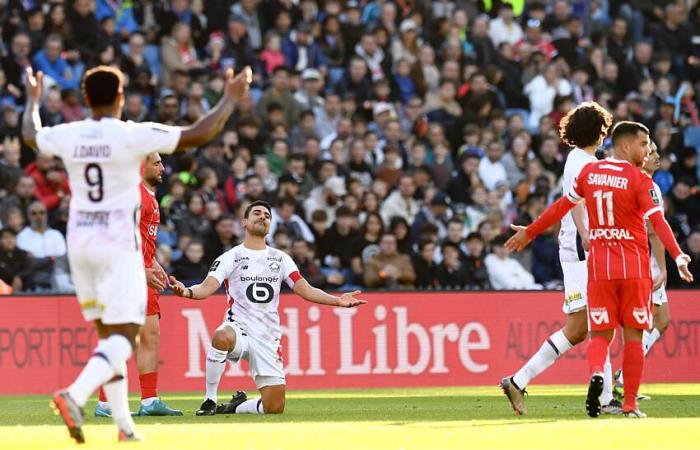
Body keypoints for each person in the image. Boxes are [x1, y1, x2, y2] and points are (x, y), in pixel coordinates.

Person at [22, 64, 252, 443]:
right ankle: (75, 395)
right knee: (125, 337)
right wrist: (229, 97)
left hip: (78, 244)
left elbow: (31, 135)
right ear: (120, 97)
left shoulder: (71, 133)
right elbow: (199, 133)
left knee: (110, 336)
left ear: (84, 98)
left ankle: (125, 427)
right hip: (116, 245)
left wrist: (33, 100)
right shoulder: (131, 135)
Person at [505, 121, 694, 418]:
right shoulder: (640, 180)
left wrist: (531, 232)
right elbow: (658, 224)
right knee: (633, 336)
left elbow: (561, 206)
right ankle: (628, 404)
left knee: (600, 334)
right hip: (633, 269)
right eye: (644, 144)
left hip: (599, 269)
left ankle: (597, 374)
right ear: (626, 146)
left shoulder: (590, 173)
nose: (648, 151)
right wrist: (678, 255)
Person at [169, 200, 365, 416]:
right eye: (257, 213)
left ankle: (237, 407)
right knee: (221, 336)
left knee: (274, 408)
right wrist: (187, 292)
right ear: (244, 222)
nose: (263, 217)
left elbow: (305, 289)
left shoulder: (281, 259)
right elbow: (207, 288)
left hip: (267, 338)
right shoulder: (231, 256)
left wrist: (337, 300)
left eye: (267, 215)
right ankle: (209, 400)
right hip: (239, 329)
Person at [500, 101, 615, 415]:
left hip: (583, 246)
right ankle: (606, 399)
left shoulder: (585, 158)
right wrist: (586, 234)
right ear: (599, 130)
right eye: (604, 127)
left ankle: (518, 380)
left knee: (585, 326)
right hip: (580, 248)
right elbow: (575, 202)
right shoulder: (580, 160)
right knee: (590, 325)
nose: (606, 133)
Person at [95, 153, 182, 417]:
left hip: (142, 275)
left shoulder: (149, 196)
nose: (162, 167)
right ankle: (106, 404)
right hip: (124, 276)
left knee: (150, 334)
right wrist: (142, 271)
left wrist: (153, 264)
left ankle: (149, 400)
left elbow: (141, 240)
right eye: (156, 163)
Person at [613, 141, 670, 400]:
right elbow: (654, 231)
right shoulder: (646, 185)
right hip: (645, 261)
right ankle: (624, 380)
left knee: (661, 320)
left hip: (637, 258)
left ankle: (623, 378)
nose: (656, 156)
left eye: (657, 152)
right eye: (652, 152)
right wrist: (663, 268)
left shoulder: (632, 181)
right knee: (647, 321)